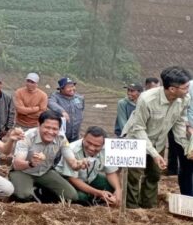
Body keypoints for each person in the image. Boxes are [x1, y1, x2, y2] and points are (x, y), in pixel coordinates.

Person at [121, 66, 191, 208]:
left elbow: (179, 122)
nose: (188, 90)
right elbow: (138, 128)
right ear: (172, 89)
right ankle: (132, 210)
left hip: (158, 142)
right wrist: (153, 154)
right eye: (185, 87)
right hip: (135, 141)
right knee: (133, 177)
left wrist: (186, 147)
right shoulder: (147, 100)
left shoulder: (184, 99)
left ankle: (149, 207)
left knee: (154, 176)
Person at [9, 110, 86, 203]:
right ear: (39, 125)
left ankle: (40, 192)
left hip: (44, 172)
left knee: (71, 196)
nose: (51, 132)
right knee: (24, 195)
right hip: (23, 171)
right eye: (47, 127)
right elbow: (17, 164)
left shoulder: (61, 138)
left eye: (55, 129)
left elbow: (73, 163)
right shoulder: (27, 137)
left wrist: (79, 165)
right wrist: (31, 163)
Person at [56, 126, 121, 206]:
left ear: (103, 144)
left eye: (96, 146)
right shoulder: (71, 149)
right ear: (83, 138)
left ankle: (97, 200)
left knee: (112, 187)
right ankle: (91, 201)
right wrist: (99, 193)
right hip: (70, 180)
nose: (91, 148)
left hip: (91, 178)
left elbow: (111, 172)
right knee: (81, 197)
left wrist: (118, 190)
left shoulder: (107, 149)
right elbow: (73, 179)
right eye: (89, 143)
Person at [48, 76, 85, 142]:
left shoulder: (79, 97)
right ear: (61, 89)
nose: (72, 89)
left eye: (73, 86)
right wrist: (62, 112)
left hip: (75, 135)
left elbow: (82, 110)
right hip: (60, 136)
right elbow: (50, 103)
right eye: (68, 87)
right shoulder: (55, 97)